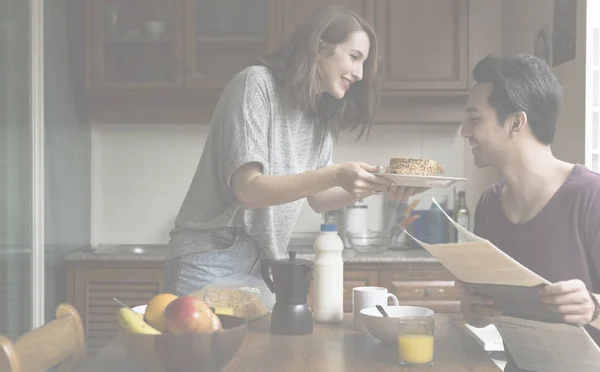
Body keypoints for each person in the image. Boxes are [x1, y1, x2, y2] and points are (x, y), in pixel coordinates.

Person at [162, 5, 424, 297]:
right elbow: (249, 190)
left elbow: (321, 198)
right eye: (354, 57)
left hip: (263, 262)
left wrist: (383, 183)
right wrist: (336, 173)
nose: (361, 74)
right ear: (319, 46)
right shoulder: (255, 84)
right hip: (211, 255)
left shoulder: (317, 115)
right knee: (204, 344)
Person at [458, 54, 600, 371]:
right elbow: (478, 316)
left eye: (475, 119)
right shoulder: (488, 205)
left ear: (516, 123)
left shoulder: (591, 197)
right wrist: (474, 308)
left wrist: (594, 307)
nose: (465, 131)